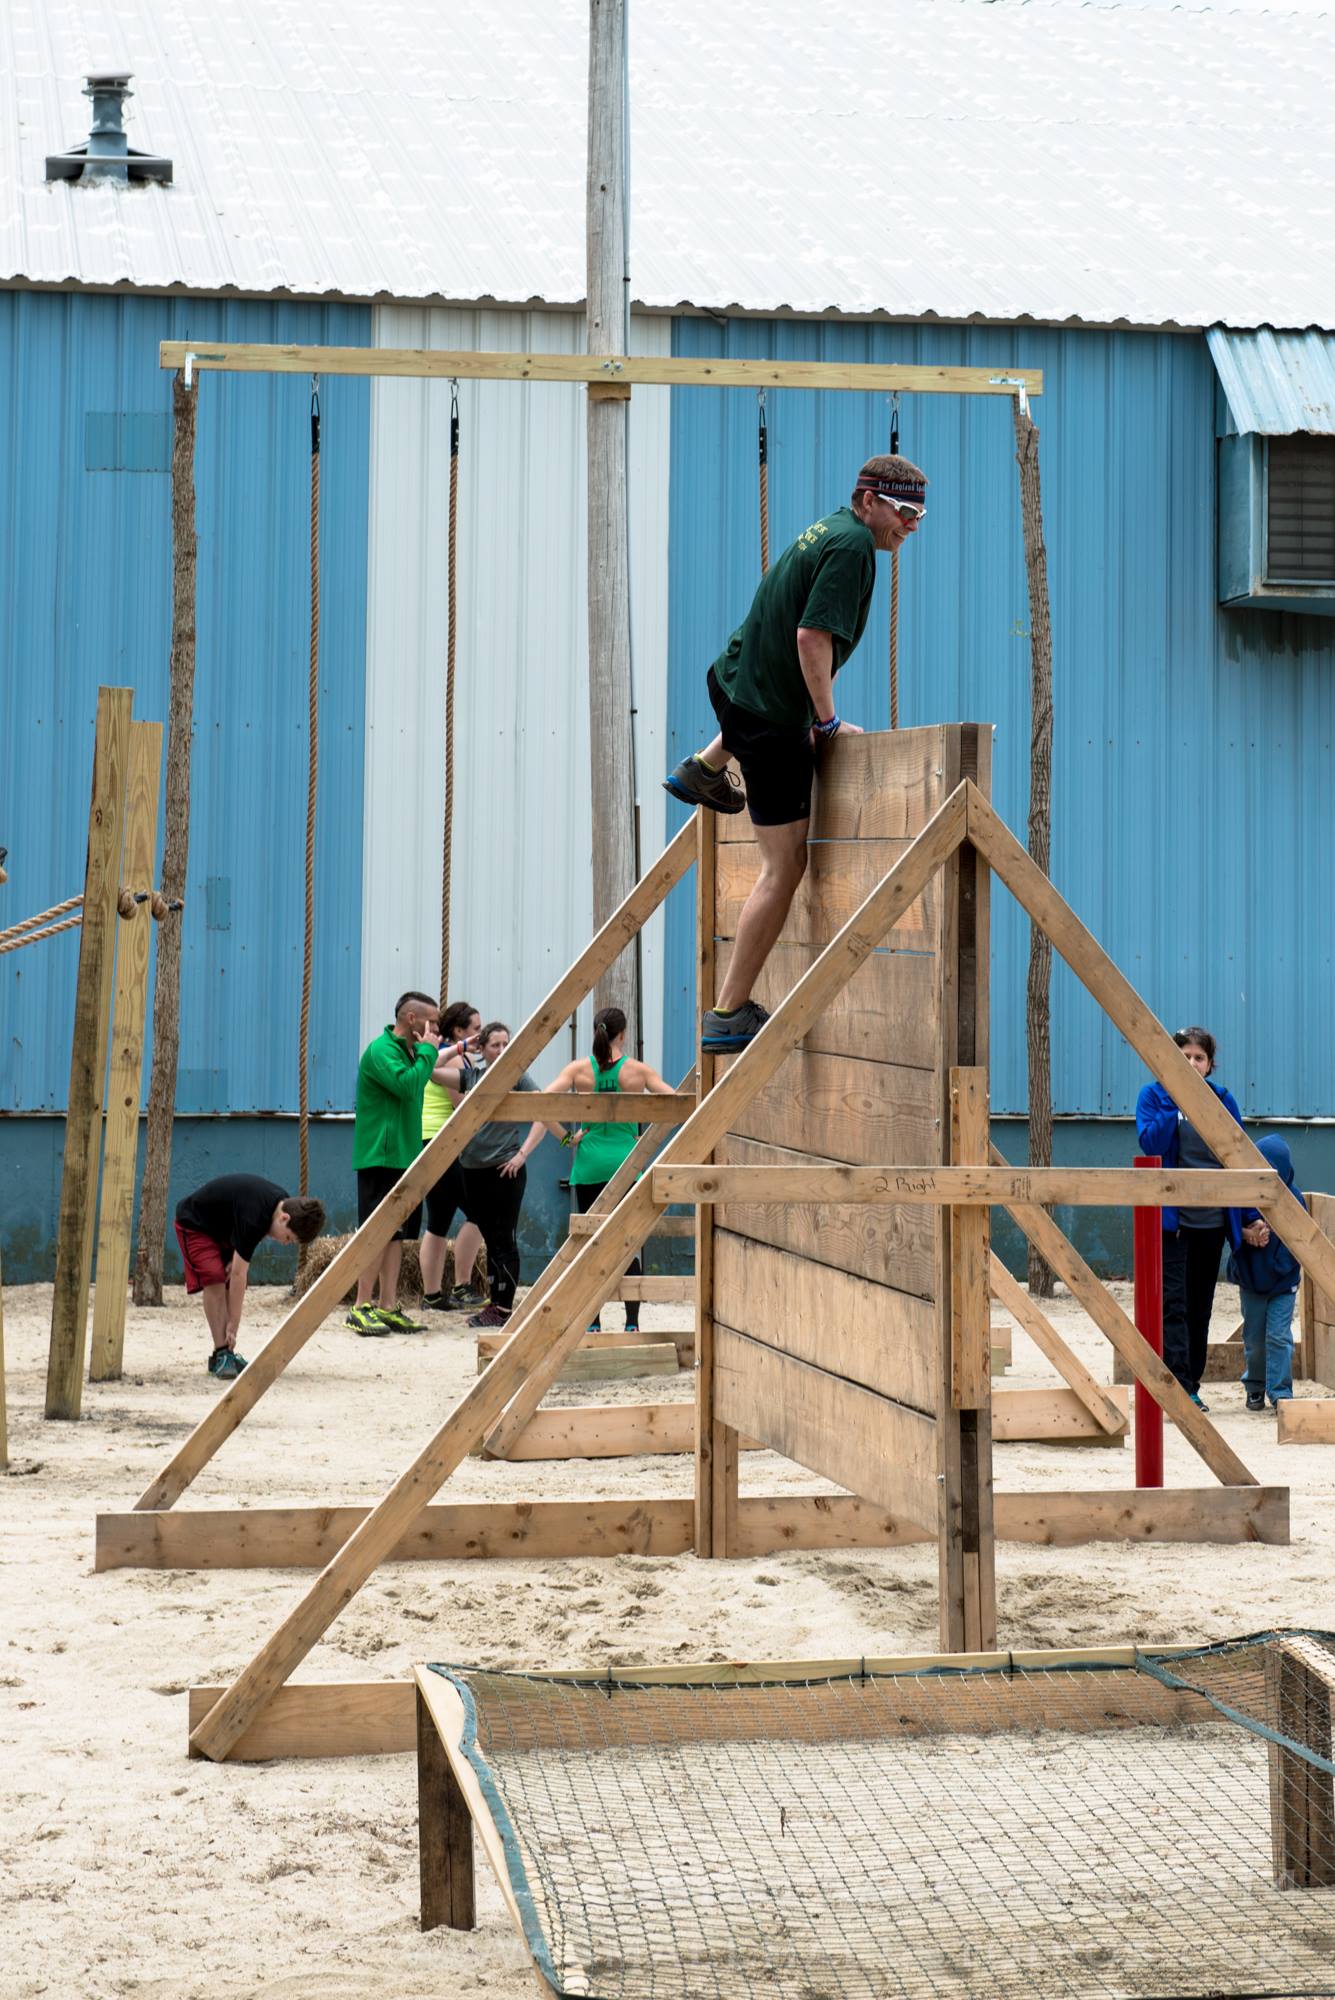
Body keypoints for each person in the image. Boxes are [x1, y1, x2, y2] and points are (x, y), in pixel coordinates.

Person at [663, 453, 927, 1051]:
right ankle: (728, 1013)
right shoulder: (855, 546)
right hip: (767, 721)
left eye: (919, 515)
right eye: (903, 511)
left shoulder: (828, 528)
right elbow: (811, 637)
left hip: (732, 680)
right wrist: (826, 723)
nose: (911, 525)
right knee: (785, 868)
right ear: (868, 500)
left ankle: (704, 767)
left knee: (756, 740)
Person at [547, 1006, 678, 1334]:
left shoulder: (579, 1069)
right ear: (622, 1034)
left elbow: (541, 1101)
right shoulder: (637, 1071)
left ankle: (592, 1323)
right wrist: (646, 1139)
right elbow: (676, 1103)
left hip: (589, 1164)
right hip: (626, 1164)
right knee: (627, 1243)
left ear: (596, 1032)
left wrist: (566, 1140)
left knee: (592, 1243)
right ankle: (632, 1322)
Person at [1135, 1026, 1244, 1409]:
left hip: (1212, 1223)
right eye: (1184, 1057)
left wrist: (1247, 1217)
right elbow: (1151, 1143)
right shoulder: (1153, 1096)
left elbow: (1238, 1159)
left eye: (1199, 1058)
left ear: (1210, 1065)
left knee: (1200, 1306)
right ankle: (1179, 1386)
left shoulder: (1223, 1100)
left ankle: (1192, 1382)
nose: (1192, 1063)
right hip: (1173, 1223)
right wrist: (1174, 1101)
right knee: (1174, 1304)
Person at [437, 1021, 564, 1330]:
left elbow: (544, 1112)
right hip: (472, 1170)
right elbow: (429, 1069)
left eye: (507, 1044)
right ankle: (496, 1305)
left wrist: (522, 1155)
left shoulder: (518, 1078)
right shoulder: (471, 1076)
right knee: (491, 1241)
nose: (502, 1050)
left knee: (504, 1239)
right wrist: (459, 1047)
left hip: (504, 1170)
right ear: (482, 1049)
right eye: (495, 1045)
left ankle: (504, 1308)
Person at [347, 990, 441, 1337]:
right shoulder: (382, 1051)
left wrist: (445, 1051)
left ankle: (387, 1305)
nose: (436, 1030)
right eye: (432, 1022)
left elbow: (422, 1074)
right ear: (412, 1019)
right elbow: (407, 1085)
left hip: (403, 1153)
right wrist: (429, 1051)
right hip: (380, 1155)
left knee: (396, 1235)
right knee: (375, 1233)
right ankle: (361, 1306)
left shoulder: (410, 1052)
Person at [174, 1175, 325, 1379]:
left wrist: (234, 1256)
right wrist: (234, 1324)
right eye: (288, 1238)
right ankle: (222, 1354)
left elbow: (253, 1239)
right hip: (195, 1223)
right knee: (215, 1277)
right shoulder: (255, 1216)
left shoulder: (283, 1203)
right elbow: (239, 1274)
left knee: (229, 1277)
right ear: (284, 1218)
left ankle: (225, 1354)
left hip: (224, 1231)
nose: (285, 1243)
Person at [419, 999, 487, 1313]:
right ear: (459, 1031)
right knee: (478, 1212)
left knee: (439, 1220)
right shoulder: (457, 1061)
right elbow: (461, 1105)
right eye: (476, 1029)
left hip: (429, 1141)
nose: (481, 1035)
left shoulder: (443, 1054)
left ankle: (433, 1293)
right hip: (443, 1142)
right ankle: (460, 1286)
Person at [1229, 1134, 1305, 1412]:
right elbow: (1232, 1232)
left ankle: (1281, 1392)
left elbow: (1299, 1243)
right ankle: (1255, 1386)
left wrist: (1278, 1267)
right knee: (1254, 1338)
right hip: (1251, 1280)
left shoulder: (1294, 1200)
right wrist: (1249, 1235)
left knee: (1278, 1336)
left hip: (1283, 1283)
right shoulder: (1244, 1198)